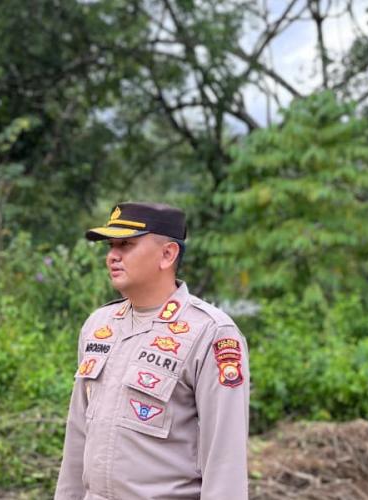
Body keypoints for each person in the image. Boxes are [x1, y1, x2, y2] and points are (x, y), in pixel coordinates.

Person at [55, 202, 249, 500]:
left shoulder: (210, 332)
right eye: (110, 246)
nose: (112, 256)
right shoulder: (99, 325)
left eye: (126, 245)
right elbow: (77, 436)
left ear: (167, 254)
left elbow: (225, 459)